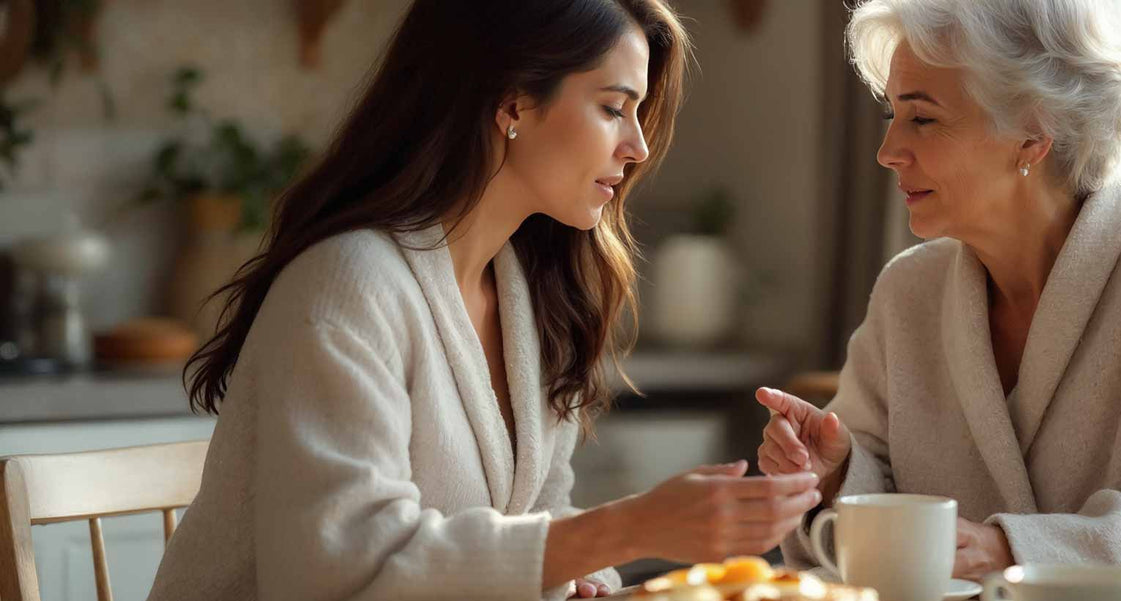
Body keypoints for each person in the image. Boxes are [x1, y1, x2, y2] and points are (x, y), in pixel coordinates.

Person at [147, 2, 820, 600]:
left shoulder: (531, 297)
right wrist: (630, 526)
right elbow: (337, 572)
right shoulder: (348, 284)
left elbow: (539, 522)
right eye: (614, 107)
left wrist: (582, 573)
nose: (638, 146)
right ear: (513, 104)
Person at [756, 1, 1121, 599]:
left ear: (1032, 132)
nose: (887, 150)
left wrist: (1009, 550)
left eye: (921, 119)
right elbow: (881, 525)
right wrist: (838, 472)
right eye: (893, 115)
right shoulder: (908, 293)